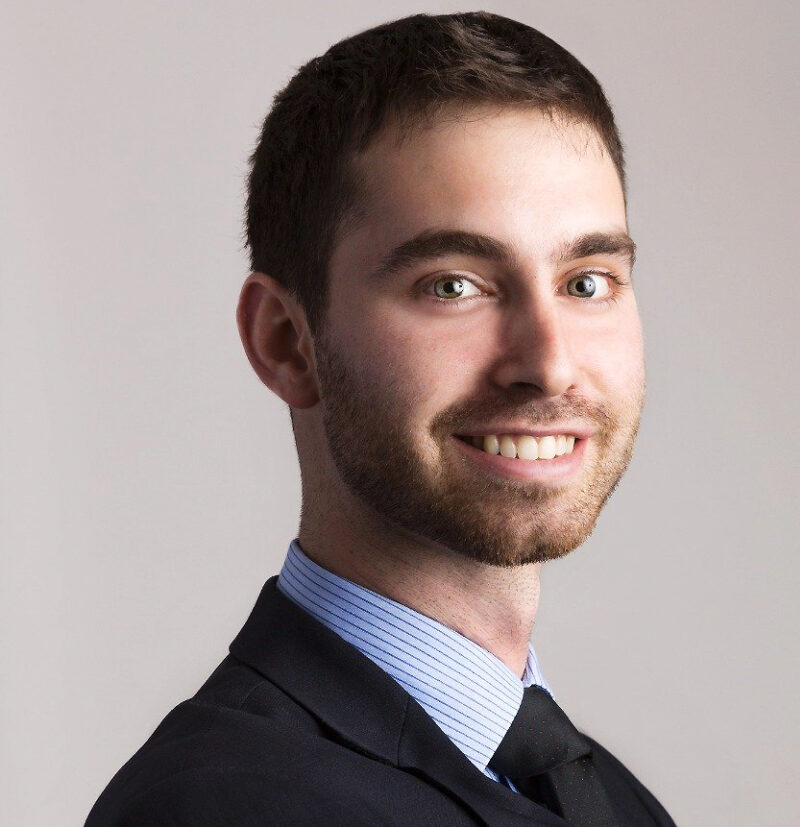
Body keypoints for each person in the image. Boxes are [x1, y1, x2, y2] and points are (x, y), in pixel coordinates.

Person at [87, 11, 675, 826]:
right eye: (453, 285)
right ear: (287, 342)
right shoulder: (222, 805)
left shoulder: (609, 796)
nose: (549, 362)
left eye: (586, 281)